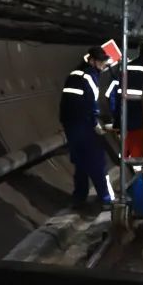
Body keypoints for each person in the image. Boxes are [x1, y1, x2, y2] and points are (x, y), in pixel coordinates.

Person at [60, 46, 113, 206]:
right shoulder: (90, 75)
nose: (103, 65)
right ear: (92, 61)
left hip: (70, 123)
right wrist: (96, 123)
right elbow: (91, 102)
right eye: (101, 62)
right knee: (97, 161)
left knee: (80, 162)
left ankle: (79, 197)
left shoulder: (74, 73)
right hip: (84, 124)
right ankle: (106, 198)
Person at [107, 42, 143, 161]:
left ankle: (130, 172)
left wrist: (117, 120)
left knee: (128, 153)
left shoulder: (127, 67)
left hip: (126, 117)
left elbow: (118, 94)